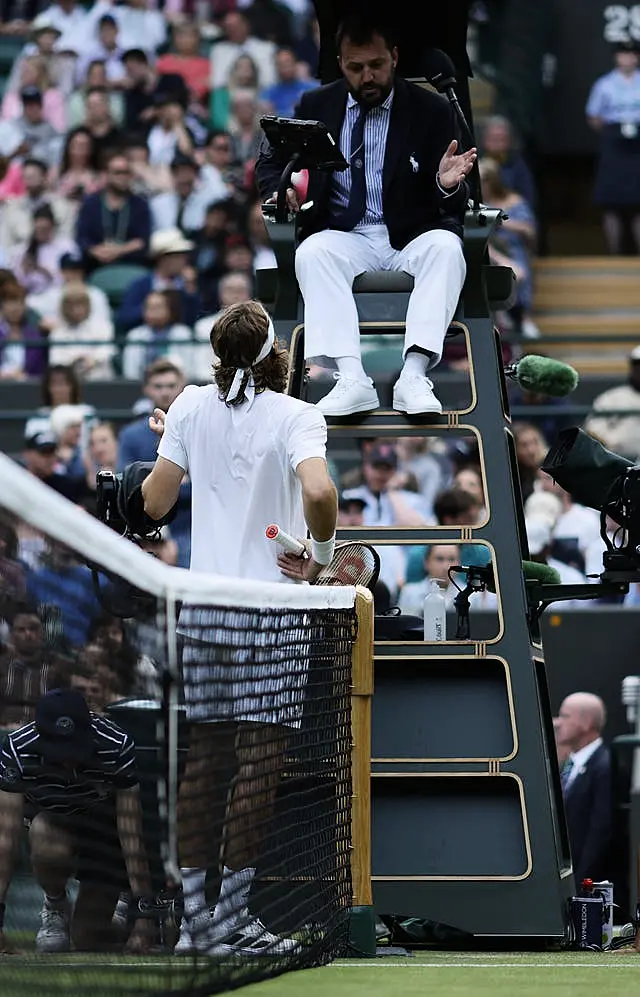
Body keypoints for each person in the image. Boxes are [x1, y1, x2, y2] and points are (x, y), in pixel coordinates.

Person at [139, 299, 337, 956]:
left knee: (206, 760)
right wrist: (321, 552)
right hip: (273, 615)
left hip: (205, 613)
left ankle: (197, 927)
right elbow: (321, 493)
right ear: (275, 353)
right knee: (258, 764)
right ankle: (229, 918)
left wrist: (177, 438)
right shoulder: (298, 414)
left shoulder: (190, 407)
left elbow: (156, 502)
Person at [255, 14, 475, 417]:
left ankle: (414, 374)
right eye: (356, 68)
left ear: (393, 57)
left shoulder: (431, 109)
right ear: (341, 64)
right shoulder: (315, 104)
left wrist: (445, 184)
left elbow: (458, 199)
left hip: (412, 232)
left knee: (447, 248)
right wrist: (279, 188)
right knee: (312, 253)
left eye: (375, 65)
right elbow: (270, 161)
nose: (367, 76)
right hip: (345, 232)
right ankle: (352, 378)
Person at [0, 688, 153, 954]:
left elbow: (131, 831)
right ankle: (55, 905)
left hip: (103, 836)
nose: (69, 763)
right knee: (44, 833)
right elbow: (6, 838)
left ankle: (127, 909)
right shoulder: (17, 749)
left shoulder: (116, 745)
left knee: (87, 938)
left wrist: (144, 917)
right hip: (53, 824)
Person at [586, 42, 640, 254]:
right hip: (614, 143)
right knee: (610, 202)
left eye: (631, 54)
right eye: (623, 54)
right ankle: (614, 253)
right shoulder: (604, 84)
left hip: (638, 143)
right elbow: (593, 116)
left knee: (638, 202)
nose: (627, 58)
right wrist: (613, 133)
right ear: (616, 57)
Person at [555, 692, 612, 886]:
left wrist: (577, 884)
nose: (557, 722)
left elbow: (600, 832)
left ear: (586, 722)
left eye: (565, 716)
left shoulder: (605, 767)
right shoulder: (568, 764)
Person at [75, 150, 151, 271]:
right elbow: (82, 238)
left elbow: (143, 241)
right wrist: (98, 251)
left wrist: (118, 250)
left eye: (126, 173)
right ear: (106, 175)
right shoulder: (91, 203)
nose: (122, 177)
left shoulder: (139, 204)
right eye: (117, 173)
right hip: (95, 267)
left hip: (131, 267)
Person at [0, 606, 71, 731]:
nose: (28, 634)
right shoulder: (2, 665)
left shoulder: (58, 665)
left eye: (33, 629)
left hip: (45, 731)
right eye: (21, 630)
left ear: (42, 633)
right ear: (12, 635)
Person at [117, 228, 199, 333]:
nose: (184, 261)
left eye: (184, 256)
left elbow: (195, 321)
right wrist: (151, 309)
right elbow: (125, 318)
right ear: (162, 258)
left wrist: (190, 292)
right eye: (178, 256)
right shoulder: (141, 284)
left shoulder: (187, 284)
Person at [117, 358, 185, 467]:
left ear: (181, 387)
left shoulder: (193, 429)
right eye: (158, 386)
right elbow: (126, 477)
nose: (165, 392)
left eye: (171, 386)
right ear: (146, 389)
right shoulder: (130, 435)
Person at [0, 157, 75, 251]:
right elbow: (5, 241)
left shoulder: (62, 205)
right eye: (25, 177)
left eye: (33, 176)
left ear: (44, 177)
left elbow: (66, 238)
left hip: (52, 257)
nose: (28, 181)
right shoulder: (12, 207)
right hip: (18, 258)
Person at [122, 290, 195, 381]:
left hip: (178, 386)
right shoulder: (135, 335)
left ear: (169, 309)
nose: (153, 311)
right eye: (149, 307)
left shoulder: (182, 333)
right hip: (143, 386)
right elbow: (130, 373)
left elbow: (189, 369)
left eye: (158, 307)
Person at [584, 345, 640, 459]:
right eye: (637, 365)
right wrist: (614, 443)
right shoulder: (611, 397)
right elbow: (593, 430)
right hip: (618, 463)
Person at [10, 204, 77, 297]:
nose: (41, 233)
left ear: (52, 227)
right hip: (31, 296)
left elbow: (73, 276)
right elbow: (17, 281)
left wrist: (45, 271)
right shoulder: (23, 250)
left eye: (45, 229)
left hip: (59, 294)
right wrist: (24, 270)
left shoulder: (66, 246)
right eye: (38, 229)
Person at [260, 46, 317, 118]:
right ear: (276, 67)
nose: (285, 67)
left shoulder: (313, 88)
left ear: (295, 63)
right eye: (280, 64)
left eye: (287, 62)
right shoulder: (268, 93)